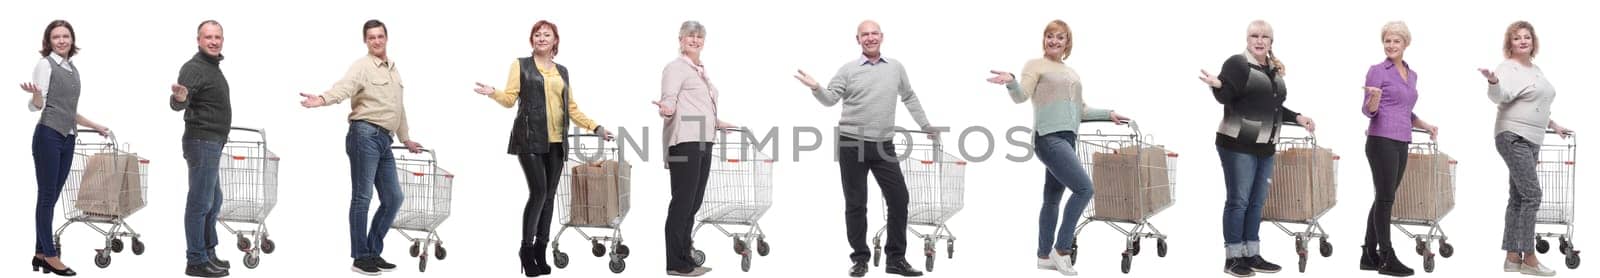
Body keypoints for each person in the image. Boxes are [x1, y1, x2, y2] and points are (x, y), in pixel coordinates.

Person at [984, 19, 1128, 276]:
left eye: (1060, 37)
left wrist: (1109, 113)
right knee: (1085, 189)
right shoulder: (1035, 65)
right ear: (1044, 40)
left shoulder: (1072, 73)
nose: (1054, 41)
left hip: (1068, 139)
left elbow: (1081, 110)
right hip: (1048, 138)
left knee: (1052, 200)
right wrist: (1011, 81)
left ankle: (1043, 256)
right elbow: (1021, 96)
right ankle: (1061, 251)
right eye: (1050, 36)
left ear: (1067, 43)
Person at [470, 20, 611, 277]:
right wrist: (493, 92)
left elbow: (571, 108)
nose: (542, 38)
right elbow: (510, 99)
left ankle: (540, 250)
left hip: (557, 141)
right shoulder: (520, 65)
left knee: (549, 197)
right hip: (530, 139)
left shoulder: (563, 71)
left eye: (547, 35)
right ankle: (525, 250)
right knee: (538, 193)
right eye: (537, 34)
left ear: (555, 41)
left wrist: (596, 127)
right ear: (532, 39)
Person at [793, 20, 930, 278]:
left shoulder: (896, 68)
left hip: (884, 145)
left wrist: (926, 125)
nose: (870, 38)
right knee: (856, 203)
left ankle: (895, 259)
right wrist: (816, 87)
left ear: (882, 37)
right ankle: (860, 258)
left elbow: (909, 96)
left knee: (899, 199)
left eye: (874, 33)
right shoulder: (847, 70)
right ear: (858, 40)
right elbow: (830, 99)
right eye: (864, 34)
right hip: (851, 143)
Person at [297, 19, 423, 276]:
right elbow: (343, 88)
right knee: (362, 197)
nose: (376, 41)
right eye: (371, 38)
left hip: (384, 139)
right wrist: (321, 99)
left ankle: (373, 252)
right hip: (364, 135)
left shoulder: (393, 70)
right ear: (365, 41)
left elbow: (399, 107)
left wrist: (406, 138)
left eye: (380, 36)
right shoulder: (362, 66)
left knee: (394, 197)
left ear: (387, 38)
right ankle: (360, 256)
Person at [1197, 20, 1312, 278]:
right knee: (1239, 201)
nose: (1259, 41)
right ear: (1247, 39)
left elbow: (1272, 108)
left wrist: (1299, 117)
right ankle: (1233, 258)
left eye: (1265, 37)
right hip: (1238, 144)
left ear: (1272, 42)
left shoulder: (1272, 69)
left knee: (1257, 202)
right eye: (1254, 36)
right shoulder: (1237, 63)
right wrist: (1218, 86)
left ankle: (1252, 253)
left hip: (1265, 146)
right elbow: (1227, 94)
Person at [22, 19, 111, 277]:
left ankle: (39, 254)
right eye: (56, 37)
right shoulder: (45, 64)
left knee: (52, 196)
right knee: (47, 196)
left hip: (68, 137)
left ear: (72, 40)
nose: (61, 40)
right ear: (48, 41)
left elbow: (69, 110)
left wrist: (95, 125)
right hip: (48, 135)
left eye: (65, 36)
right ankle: (50, 255)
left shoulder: (72, 69)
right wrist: (36, 96)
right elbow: (38, 105)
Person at [1480, 20, 1568, 277]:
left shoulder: (1536, 69)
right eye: (1517, 37)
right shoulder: (1507, 67)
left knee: (1519, 198)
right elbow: (1501, 96)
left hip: (1533, 137)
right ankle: (1529, 258)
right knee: (1533, 195)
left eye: (1526, 37)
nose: (1522, 40)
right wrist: (1493, 82)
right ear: (1510, 44)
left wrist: (1553, 124)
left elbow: (1536, 102)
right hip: (1513, 135)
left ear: (1533, 42)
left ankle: (1511, 257)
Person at [653, 20, 735, 277]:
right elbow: (670, 100)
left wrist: (718, 123)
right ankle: (674, 262)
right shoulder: (675, 68)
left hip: (704, 139)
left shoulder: (700, 70)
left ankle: (685, 254)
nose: (695, 40)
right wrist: (666, 109)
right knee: (682, 202)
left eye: (699, 36)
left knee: (694, 202)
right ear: (680, 39)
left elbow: (698, 107)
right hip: (684, 141)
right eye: (690, 36)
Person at [1358, 21, 1437, 277]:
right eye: (1387, 41)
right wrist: (1374, 100)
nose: (1391, 45)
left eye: (1396, 41)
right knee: (1385, 198)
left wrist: (1424, 124)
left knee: (1384, 195)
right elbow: (1368, 110)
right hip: (1381, 140)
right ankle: (1386, 256)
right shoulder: (1377, 71)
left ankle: (1368, 254)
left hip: (1402, 140)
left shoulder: (1411, 74)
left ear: (1405, 44)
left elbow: (1404, 109)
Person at [168, 19, 232, 278]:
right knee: (200, 202)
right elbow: (178, 102)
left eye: (218, 37)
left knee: (213, 200)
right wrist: (180, 98)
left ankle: (207, 251)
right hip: (201, 142)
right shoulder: (194, 67)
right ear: (198, 40)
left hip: (212, 143)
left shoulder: (212, 67)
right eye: (208, 37)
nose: (214, 41)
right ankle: (195, 260)